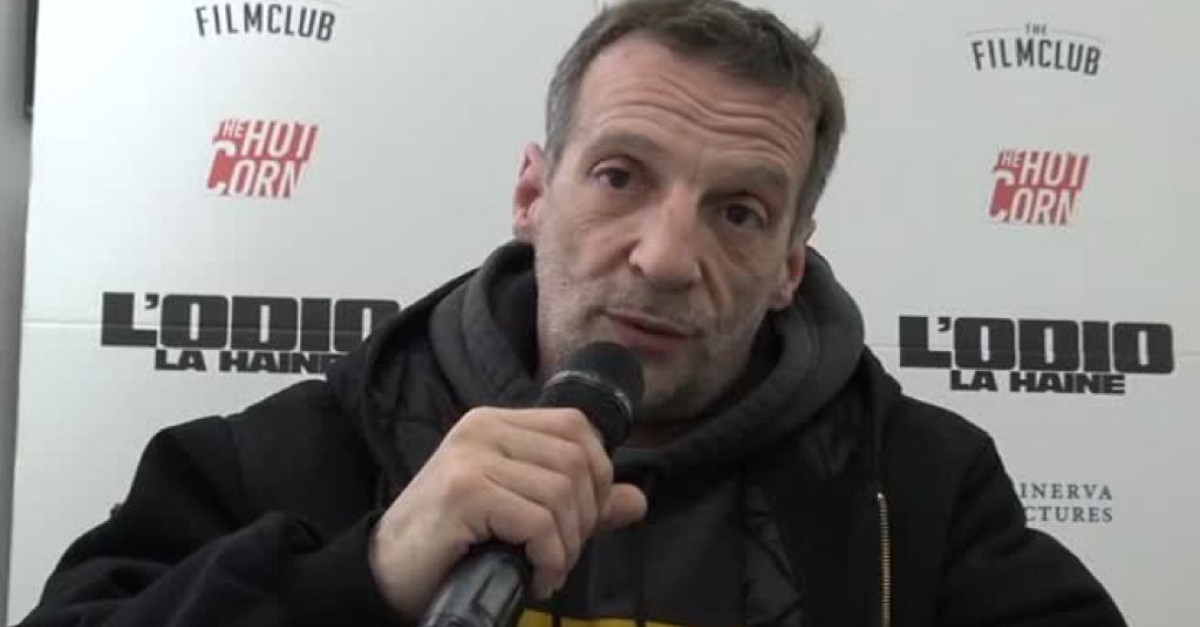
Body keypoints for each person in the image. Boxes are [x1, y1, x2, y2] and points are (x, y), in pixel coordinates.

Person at [17, 1, 1126, 626]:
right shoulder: (281, 457)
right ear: (532, 193)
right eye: (620, 176)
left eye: (739, 212)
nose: (666, 256)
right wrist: (360, 578)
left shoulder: (920, 488)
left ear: (790, 266)